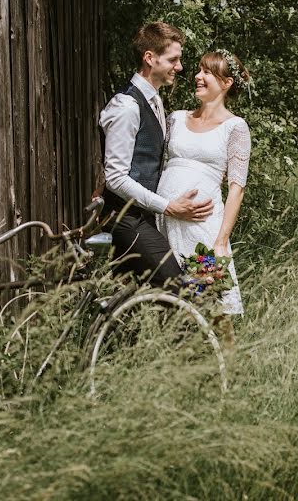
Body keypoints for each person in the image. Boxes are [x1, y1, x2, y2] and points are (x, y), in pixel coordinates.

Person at [99, 22, 214, 286]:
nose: (180, 67)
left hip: (143, 216)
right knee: (180, 291)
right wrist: (169, 207)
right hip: (125, 219)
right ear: (149, 58)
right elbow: (115, 178)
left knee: (136, 301)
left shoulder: (155, 100)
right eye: (173, 59)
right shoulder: (127, 105)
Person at [156, 49, 252, 327]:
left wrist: (220, 241)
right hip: (165, 222)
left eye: (207, 72)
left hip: (203, 230)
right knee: (171, 307)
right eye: (198, 70)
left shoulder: (235, 127)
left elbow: (237, 187)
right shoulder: (176, 118)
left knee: (215, 309)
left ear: (226, 82)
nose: (197, 76)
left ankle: (228, 369)